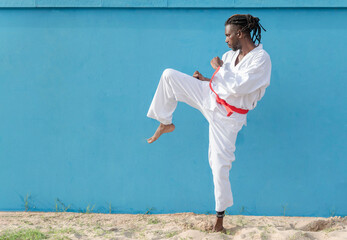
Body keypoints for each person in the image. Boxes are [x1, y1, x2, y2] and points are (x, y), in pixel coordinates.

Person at [146, 14, 272, 232]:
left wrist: (220, 68)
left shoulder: (261, 60)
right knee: (169, 76)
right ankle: (165, 122)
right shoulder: (230, 56)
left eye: (228, 35)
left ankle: (219, 220)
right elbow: (223, 83)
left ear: (240, 34)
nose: (225, 40)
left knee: (218, 164)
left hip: (228, 117)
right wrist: (205, 79)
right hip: (209, 95)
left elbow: (239, 87)